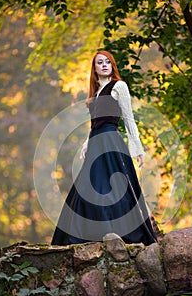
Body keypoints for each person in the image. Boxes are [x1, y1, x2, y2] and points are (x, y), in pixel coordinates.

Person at [51, 50, 157, 246]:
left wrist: (137, 148)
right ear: (95, 68)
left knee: (114, 188)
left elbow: (128, 119)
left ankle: (119, 233)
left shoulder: (119, 86)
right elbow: (95, 124)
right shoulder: (96, 93)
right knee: (87, 188)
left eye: (108, 62)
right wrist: (86, 144)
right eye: (100, 62)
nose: (104, 65)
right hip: (95, 143)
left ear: (112, 66)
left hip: (111, 142)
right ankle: (89, 234)